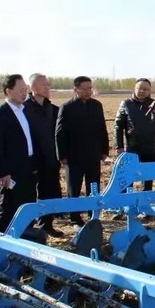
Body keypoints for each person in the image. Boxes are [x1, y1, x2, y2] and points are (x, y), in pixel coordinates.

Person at [55, 76, 109, 226]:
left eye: (89, 88)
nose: (88, 92)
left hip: (93, 155)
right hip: (74, 156)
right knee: (74, 188)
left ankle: (93, 215)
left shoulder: (96, 105)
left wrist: (104, 151)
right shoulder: (67, 107)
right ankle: (75, 217)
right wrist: (62, 155)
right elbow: (60, 133)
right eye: (84, 89)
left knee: (94, 186)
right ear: (76, 90)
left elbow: (102, 129)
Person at [0, 75, 39, 233]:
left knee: (28, 205)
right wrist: (3, 173)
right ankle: (2, 241)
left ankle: (25, 237)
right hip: (12, 172)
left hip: (28, 168)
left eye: (26, 90)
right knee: (9, 207)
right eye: (20, 90)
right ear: (8, 91)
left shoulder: (25, 111)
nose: (24, 93)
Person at [24, 73, 63, 237]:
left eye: (48, 84)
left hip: (51, 159)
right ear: (32, 88)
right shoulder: (23, 109)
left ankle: (47, 224)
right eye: (43, 84)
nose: (47, 87)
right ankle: (28, 227)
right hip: (31, 161)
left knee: (50, 191)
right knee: (31, 194)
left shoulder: (53, 110)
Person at [115, 78, 155, 191]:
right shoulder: (126, 104)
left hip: (150, 147)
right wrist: (119, 146)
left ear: (150, 91)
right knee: (127, 177)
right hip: (131, 147)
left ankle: (144, 201)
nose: (142, 91)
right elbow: (118, 126)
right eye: (140, 88)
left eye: (146, 89)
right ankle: (126, 203)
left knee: (147, 177)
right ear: (135, 89)